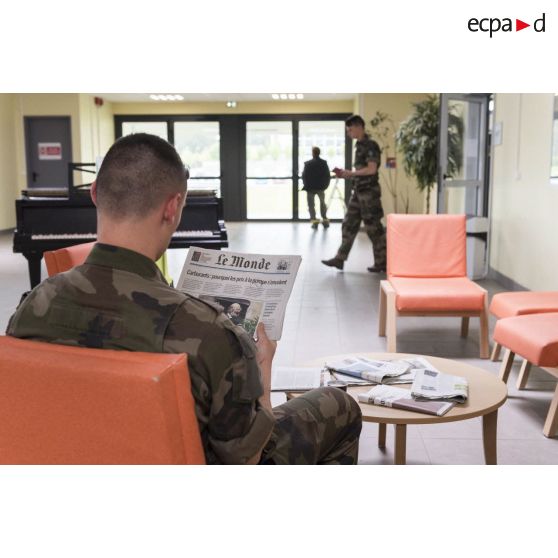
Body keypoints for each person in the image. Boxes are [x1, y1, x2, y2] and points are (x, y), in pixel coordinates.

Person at [6, 133, 362, 465]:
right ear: (172, 208)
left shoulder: (32, 306)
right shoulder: (208, 332)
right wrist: (262, 375)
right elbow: (244, 459)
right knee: (341, 406)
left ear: (95, 193)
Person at [321, 115, 387, 272]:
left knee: (374, 230)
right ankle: (340, 258)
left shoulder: (371, 145)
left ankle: (382, 262)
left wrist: (352, 173)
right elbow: (361, 170)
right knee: (348, 224)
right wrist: (348, 174)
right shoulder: (359, 145)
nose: (349, 133)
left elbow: (371, 169)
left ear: (359, 127)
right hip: (358, 192)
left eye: (350, 129)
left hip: (369, 194)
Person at [301, 146, 331, 229]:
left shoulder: (308, 164)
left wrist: (306, 185)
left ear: (313, 153)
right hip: (321, 187)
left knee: (311, 205)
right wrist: (325, 186)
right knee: (322, 203)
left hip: (310, 188)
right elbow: (327, 175)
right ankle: (325, 220)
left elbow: (304, 176)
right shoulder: (324, 163)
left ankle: (314, 222)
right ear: (319, 153)